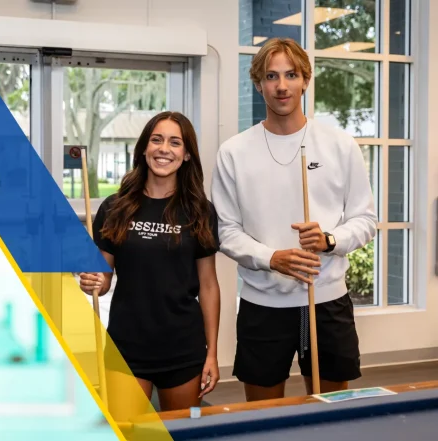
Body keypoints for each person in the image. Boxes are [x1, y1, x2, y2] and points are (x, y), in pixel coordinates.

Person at [211, 37, 378, 402]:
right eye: (271, 76)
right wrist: (271, 258)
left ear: (306, 80)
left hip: (327, 302)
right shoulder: (234, 152)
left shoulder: (339, 145)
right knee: (263, 413)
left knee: (331, 413)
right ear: (258, 84)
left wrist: (329, 240)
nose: (281, 85)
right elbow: (225, 231)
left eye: (291, 75)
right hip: (262, 305)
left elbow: (365, 220)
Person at [77, 111, 221, 412]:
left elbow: (208, 286)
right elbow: (102, 280)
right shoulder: (115, 207)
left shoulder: (199, 211)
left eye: (175, 142)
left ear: (186, 156)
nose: (163, 149)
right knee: (130, 435)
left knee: (179, 434)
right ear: (144, 148)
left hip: (182, 346)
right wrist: (92, 280)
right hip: (126, 345)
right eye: (156, 140)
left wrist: (212, 354)